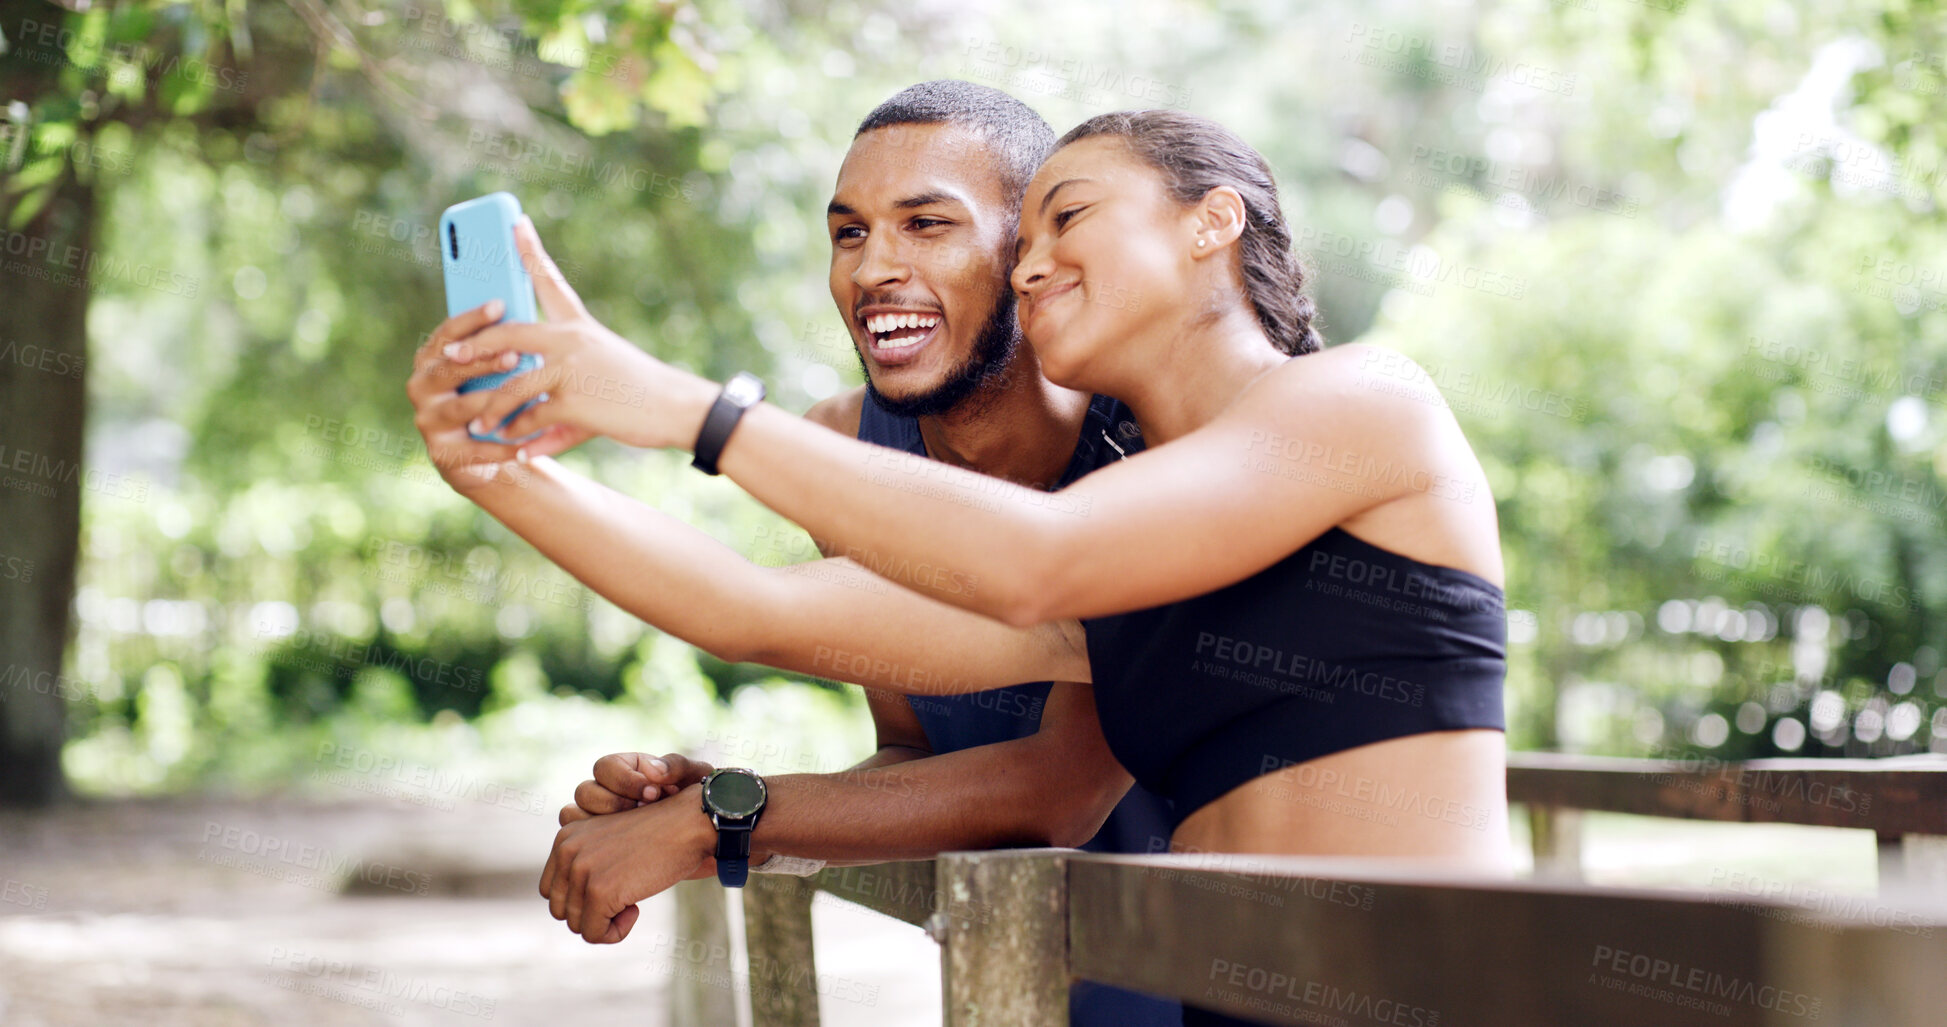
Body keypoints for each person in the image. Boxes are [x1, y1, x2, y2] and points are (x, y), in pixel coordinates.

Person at [426, 105, 1511, 1025]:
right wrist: (500, 473)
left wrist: (684, 410)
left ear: (1212, 219)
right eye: (1023, 241)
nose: (1031, 265)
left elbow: (1039, 558)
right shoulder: (1124, 582)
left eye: (1068, 216)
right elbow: (755, 610)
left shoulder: (1368, 402)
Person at [409, 82, 1180, 1025]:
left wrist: (719, 824)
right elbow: (904, 744)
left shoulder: (1153, 441)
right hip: (1012, 989)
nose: (872, 268)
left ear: (1030, 254)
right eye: (848, 233)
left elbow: (1053, 790)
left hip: (1214, 976)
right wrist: (729, 803)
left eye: (925, 223)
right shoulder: (847, 450)